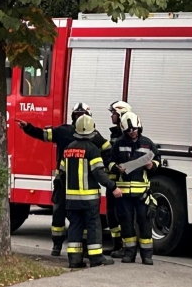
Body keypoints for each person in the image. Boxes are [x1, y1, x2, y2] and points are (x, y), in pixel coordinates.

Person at [18, 102, 108, 256]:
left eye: (83, 115)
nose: (81, 118)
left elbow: (107, 149)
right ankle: (57, 246)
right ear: (74, 117)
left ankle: (84, 247)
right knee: (59, 213)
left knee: (83, 215)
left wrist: (103, 166)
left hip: (80, 181)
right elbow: (43, 135)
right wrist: (28, 127)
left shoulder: (94, 135)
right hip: (64, 180)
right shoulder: (64, 131)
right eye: (78, 115)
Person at [62, 114, 122, 269]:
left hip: (71, 199)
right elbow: (99, 173)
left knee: (75, 226)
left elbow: (62, 173)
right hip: (88, 199)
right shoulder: (93, 149)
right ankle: (96, 258)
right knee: (93, 226)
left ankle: (74, 259)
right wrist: (113, 187)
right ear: (91, 131)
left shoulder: (68, 149)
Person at [111, 112, 161, 265]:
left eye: (135, 129)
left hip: (142, 194)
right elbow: (109, 162)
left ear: (139, 127)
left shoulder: (147, 143)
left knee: (145, 223)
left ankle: (147, 256)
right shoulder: (118, 143)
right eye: (129, 130)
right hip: (124, 194)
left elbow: (158, 160)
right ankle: (129, 253)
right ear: (124, 130)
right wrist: (115, 168)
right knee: (126, 223)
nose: (133, 132)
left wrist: (152, 165)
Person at [106, 101, 132, 248]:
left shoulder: (126, 136)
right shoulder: (115, 134)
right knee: (111, 214)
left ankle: (124, 245)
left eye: (114, 113)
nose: (111, 116)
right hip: (112, 181)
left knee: (122, 214)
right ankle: (117, 244)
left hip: (122, 183)